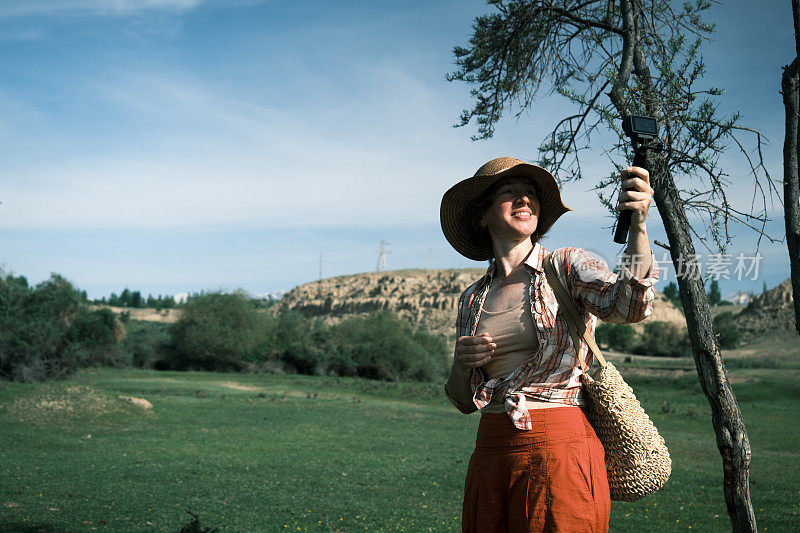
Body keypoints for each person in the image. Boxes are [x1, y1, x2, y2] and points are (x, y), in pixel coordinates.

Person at [440, 157, 658, 533]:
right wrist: (461, 366)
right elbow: (462, 401)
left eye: (531, 194)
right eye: (509, 192)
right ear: (482, 215)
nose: (525, 200)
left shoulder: (567, 265)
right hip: (490, 451)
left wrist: (638, 224)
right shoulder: (472, 298)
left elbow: (629, 305)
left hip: (558, 449)